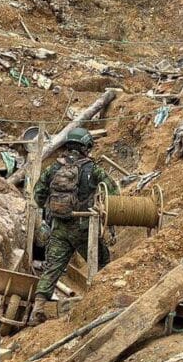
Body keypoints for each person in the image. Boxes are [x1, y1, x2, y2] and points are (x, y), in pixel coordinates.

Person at [28, 128, 118, 326]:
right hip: (84, 228)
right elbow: (113, 191)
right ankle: (101, 303)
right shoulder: (93, 169)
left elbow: (38, 195)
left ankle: (37, 311)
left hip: (59, 228)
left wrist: (53, 210)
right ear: (86, 147)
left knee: (52, 268)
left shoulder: (54, 168)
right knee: (102, 262)